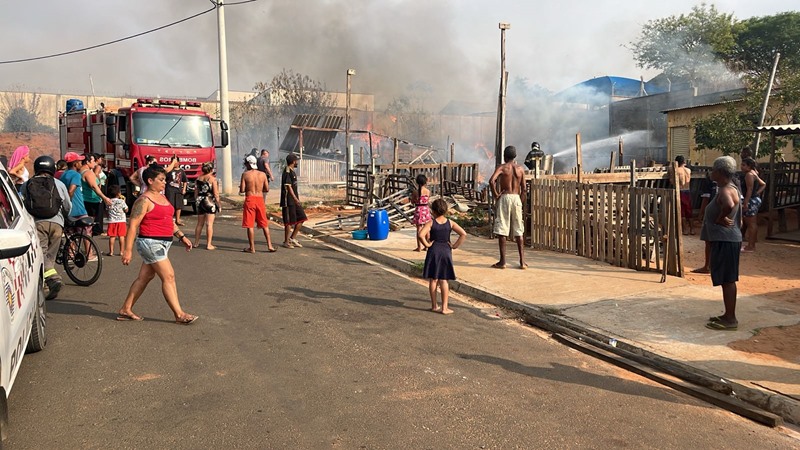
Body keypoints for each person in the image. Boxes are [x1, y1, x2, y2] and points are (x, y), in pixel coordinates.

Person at [117, 165, 197, 324]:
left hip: (163, 243)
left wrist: (182, 237)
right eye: (161, 180)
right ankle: (179, 314)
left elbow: (169, 221)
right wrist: (127, 250)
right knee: (169, 276)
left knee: (144, 277)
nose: (164, 183)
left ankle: (126, 309)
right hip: (150, 242)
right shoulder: (144, 200)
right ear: (150, 180)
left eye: (164, 180)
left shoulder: (163, 198)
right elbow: (133, 225)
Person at [20, 155, 72, 300]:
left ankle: (51, 280)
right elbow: (68, 205)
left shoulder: (28, 184)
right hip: (57, 225)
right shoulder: (58, 184)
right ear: (52, 169)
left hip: (38, 224)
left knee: (40, 255)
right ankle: (50, 282)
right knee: (50, 256)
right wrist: (66, 216)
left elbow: (20, 203)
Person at [703, 156, 742, 331]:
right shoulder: (729, 187)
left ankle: (731, 319)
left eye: (713, 170)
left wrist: (720, 219)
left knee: (727, 280)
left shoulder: (725, 189)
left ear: (720, 172)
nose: (711, 172)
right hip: (726, 240)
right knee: (727, 279)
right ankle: (727, 315)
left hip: (726, 240)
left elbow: (728, 204)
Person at [419, 198, 466, 314]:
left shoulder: (431, 223)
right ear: (445, 210)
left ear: (433, 211)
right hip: (446, 250)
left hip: (434, 250)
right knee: (444, 280)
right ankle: (445, 308)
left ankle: (434, 305)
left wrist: (427, 244)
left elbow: (421, 235)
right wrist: (454, 246)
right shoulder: (450, 223)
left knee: (433, 279)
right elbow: (463, 234)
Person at [489, 145, 527, 269]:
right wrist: (520, 202)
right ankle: (522, 262)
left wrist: (495, 194)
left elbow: (491, 181)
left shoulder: (502, 167)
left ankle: (503, 262)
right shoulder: (520, 169)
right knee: (518, 230)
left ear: (505, 156)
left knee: (502, 229)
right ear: (515, 156)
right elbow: (524, 189)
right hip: (516, 197)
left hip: (505, 197)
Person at [240, 155, 276, 253]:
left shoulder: (245, 175)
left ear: (248, 164)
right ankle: (270, 245)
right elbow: (267, 189)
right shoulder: (263, 174)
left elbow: (242, 190)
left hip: (250, 199)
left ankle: (252, 247)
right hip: (260, 199)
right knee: (264, 224)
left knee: (250, 225)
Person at [60, 152, 92, 237]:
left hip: (67, 212)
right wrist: (69, 202)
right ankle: (90, 251)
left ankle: (71, 251)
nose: (81, 163)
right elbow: (71, 190)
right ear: (75, 163)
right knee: (86, 233)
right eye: (79, 161)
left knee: (71, 236)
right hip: (79, 210)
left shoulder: (63, 175)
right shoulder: (76, 175)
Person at [691, 171, 717, 274]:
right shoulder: (732, 183)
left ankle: (708, 266)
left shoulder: (710, 183)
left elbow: (705, 200)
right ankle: (712, 266)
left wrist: (700, 214)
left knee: (709, 241)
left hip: (712, 215)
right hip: (723, 217)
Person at [81, 153, 112, 236]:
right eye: (93, 161)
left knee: (86, 226)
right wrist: (104, 198)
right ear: (87, 162)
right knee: (88, 227)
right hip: (91, 200)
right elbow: (94, 187)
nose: (95, 163)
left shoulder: (81, 172)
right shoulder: (88, 173)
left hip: (86, 199)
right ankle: (89, 248)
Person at [280, 153, 307, 248]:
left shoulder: (293, 171)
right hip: (288, 200)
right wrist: (295, 199)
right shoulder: (287, 171)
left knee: (302, 218)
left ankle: (292, 238)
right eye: (296, 161)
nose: (297, 162)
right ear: (293, 161)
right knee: (288, 222)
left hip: (295, 200)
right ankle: (286, 241)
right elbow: (288, 187)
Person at [740, 157, 766, 253]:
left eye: (743, 165)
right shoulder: (754, 173)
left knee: (751, 223)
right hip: (755, 199)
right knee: (753, 223)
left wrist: (746, 202)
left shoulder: (749, 175)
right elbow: (763, 184)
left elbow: (749, 189)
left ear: (749, 166)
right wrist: (757, 193)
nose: (741, 167)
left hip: (751, 200)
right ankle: (752, 244)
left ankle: (751, 246)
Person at [194, 162, 219, 250]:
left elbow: (196, 191)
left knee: (199, 224)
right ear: (211, 170)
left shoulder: (198, 178)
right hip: (209, 201)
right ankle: (209, 244)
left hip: (200, 200)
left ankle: (196, 242)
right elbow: (216, 193)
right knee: (209, 224)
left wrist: (196, 200)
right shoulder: (213, 179)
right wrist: (218, 204)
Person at [671, 155, 694, 235]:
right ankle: (692, 229)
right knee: (689, 211)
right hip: (687, 191)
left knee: (682, 211)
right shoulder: (688, 170)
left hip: (680, 191)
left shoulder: (676, 170)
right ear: (684, 162)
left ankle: (685, 229)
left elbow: (671, 181)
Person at [105, 184, 128, 256]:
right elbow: (126, 210)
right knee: (121, 236)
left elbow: (107, 210)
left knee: (112, 236)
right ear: (119, 193)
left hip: (112, 221)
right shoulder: (121, 201)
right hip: (121, 221)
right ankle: (121, 251)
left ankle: (111, 251)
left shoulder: (108, 201)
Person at [410, 174, 431, 252]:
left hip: (419, 209)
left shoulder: (415, 192)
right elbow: (427, 200)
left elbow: (412, 201)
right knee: (427, 229)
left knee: (419, 229)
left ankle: (419, 247)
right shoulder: (428, 191)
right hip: (426, 209)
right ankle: (427, 246)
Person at [165, 158, 188, 225]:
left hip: (178, 190)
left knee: (178, 205)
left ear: (178, 162)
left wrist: (184, 189)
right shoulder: (169, 170)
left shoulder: (181, 171)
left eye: (175, 162)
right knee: (170, 205)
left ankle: (178, 220)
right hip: (169, 190)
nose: (174, 163)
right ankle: (170, 220)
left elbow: (185, 181)